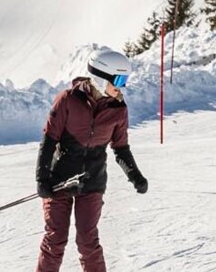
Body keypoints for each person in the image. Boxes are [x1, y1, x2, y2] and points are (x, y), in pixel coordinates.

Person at [36, 48, 147, 272]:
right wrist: (42, 177)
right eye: (119, 79)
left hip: (93, 181)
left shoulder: (118, 109)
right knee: (55, 239)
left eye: (125, 80)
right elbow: (49, 140)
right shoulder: (68, 100)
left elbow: (121, 147)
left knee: (88, 241)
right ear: (100, 77)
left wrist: (135, 175)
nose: (122, 85)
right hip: (60, 179)